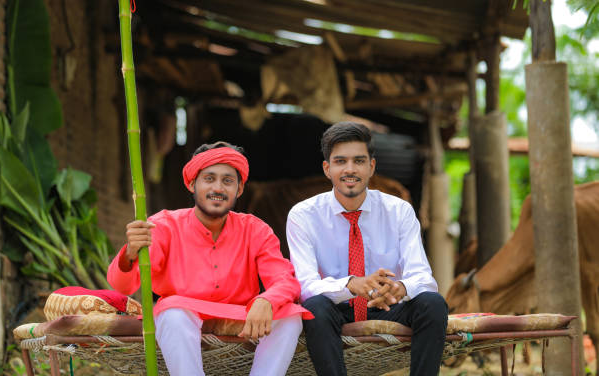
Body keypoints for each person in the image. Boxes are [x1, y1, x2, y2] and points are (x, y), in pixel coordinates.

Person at [108, 141, 311, 376]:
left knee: (290, 318)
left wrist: (267, 300)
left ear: (240, 189)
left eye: (227, 181)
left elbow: (285, 280)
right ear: (192, 184)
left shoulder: (255, 229)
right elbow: (122, 285)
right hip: (182, 315)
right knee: (173, 314)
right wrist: (131, 252)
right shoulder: (164, 226)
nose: (218, 188)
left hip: (240, 316)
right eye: (209, 179)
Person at [286, 122, 448, 376]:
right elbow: (305, 286)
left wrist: (399, 288)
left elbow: (424, 278)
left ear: (371, 167)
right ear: (327, 169)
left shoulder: (399, 210)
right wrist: (352, 285)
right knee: (315, 307)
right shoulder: (303, 215)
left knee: (433, 303)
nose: (350, 170)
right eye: (340, 161)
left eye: (359, 161)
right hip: (336, 308)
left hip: (388, 306)